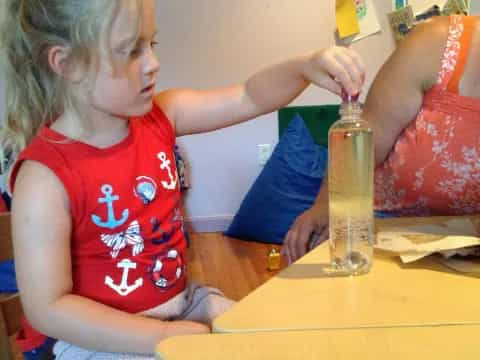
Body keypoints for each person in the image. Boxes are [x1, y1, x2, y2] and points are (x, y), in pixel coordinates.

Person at [0, 0, 365, 358]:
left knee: (270, 338)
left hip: (182, 304)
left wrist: (303, 66)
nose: (153, 64)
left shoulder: (162, 115)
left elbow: (248, 96)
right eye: (130, 51)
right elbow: (48, 308)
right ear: (67, 65)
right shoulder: (44, 178)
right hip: (102, 340)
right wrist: (160, 335)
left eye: (151, 44)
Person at [282, 14, 480, 264]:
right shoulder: (436, 44)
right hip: (380, 230)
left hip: (467, 245)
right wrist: (327, 207)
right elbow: (364, 146)